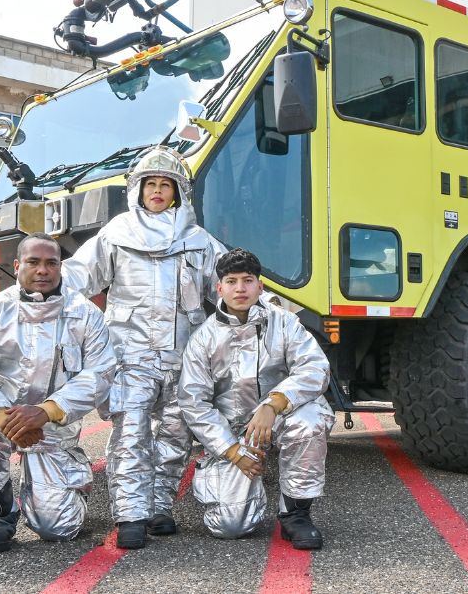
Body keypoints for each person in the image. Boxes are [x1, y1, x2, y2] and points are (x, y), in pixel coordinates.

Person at [62, 145, 226, 549]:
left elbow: (229, 287)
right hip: (129, 356)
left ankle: (159, 507)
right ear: (138, 190)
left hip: (184, 357)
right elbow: (76, 277)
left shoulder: (198, 240)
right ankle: (131, 515)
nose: (156, 191)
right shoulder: (116, 233)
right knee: (131, 433)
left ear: (177, 193)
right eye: (150, 184)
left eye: (164, 185)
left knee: (174, 435)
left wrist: (267, 314)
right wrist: (30, 295)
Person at [0, 232, 117, 552]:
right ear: (16, 266)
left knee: (59, 528)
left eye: (51, 263)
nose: (43, 270)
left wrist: (46, 411)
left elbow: (101, 372)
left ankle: (67, 481)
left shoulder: (85, 314)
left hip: (51, 424)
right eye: (33, 262)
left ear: (61, 268)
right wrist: (2, 417)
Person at [178, 248, 334, 550]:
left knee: (310, 420)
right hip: (235, 433)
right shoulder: (204, 338)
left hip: (278, 417)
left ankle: (296, 514)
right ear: (219, 288)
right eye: (232, 281)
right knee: (230, 525)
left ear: (260, 286)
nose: (240, 288)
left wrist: (274, 403)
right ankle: (237, 483)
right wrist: (232, 450)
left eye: (248, 280)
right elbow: (194, 402)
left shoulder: (284, 322)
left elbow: (315, 367)